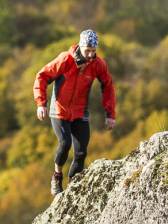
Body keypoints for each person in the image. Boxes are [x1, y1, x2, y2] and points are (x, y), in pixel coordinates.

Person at [34, 30, 116, 195]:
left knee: (81, 152)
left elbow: (108, 85)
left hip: (80, 112)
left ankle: (73, 188)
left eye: (94, 51)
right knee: (65, 144)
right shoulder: (66, 59)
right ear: (81, 46)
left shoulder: (97, 64)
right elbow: (42, 76)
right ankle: (57, 176)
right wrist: (41, 103)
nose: (90, 55)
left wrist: (110, 113)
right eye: (88, 51)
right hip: (59, 111)